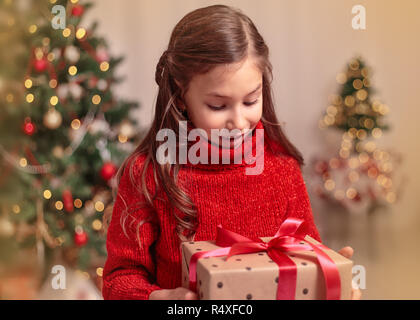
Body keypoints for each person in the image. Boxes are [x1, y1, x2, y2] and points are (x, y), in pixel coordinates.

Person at [101, 4, 361, 300]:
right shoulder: (148, 174)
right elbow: (118, 281)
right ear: (181, 93)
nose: (238, 123)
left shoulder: (281, 167)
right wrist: (163, 298)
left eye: (251, 101)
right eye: (218, 106)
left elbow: (303, 263)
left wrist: (329, 283)